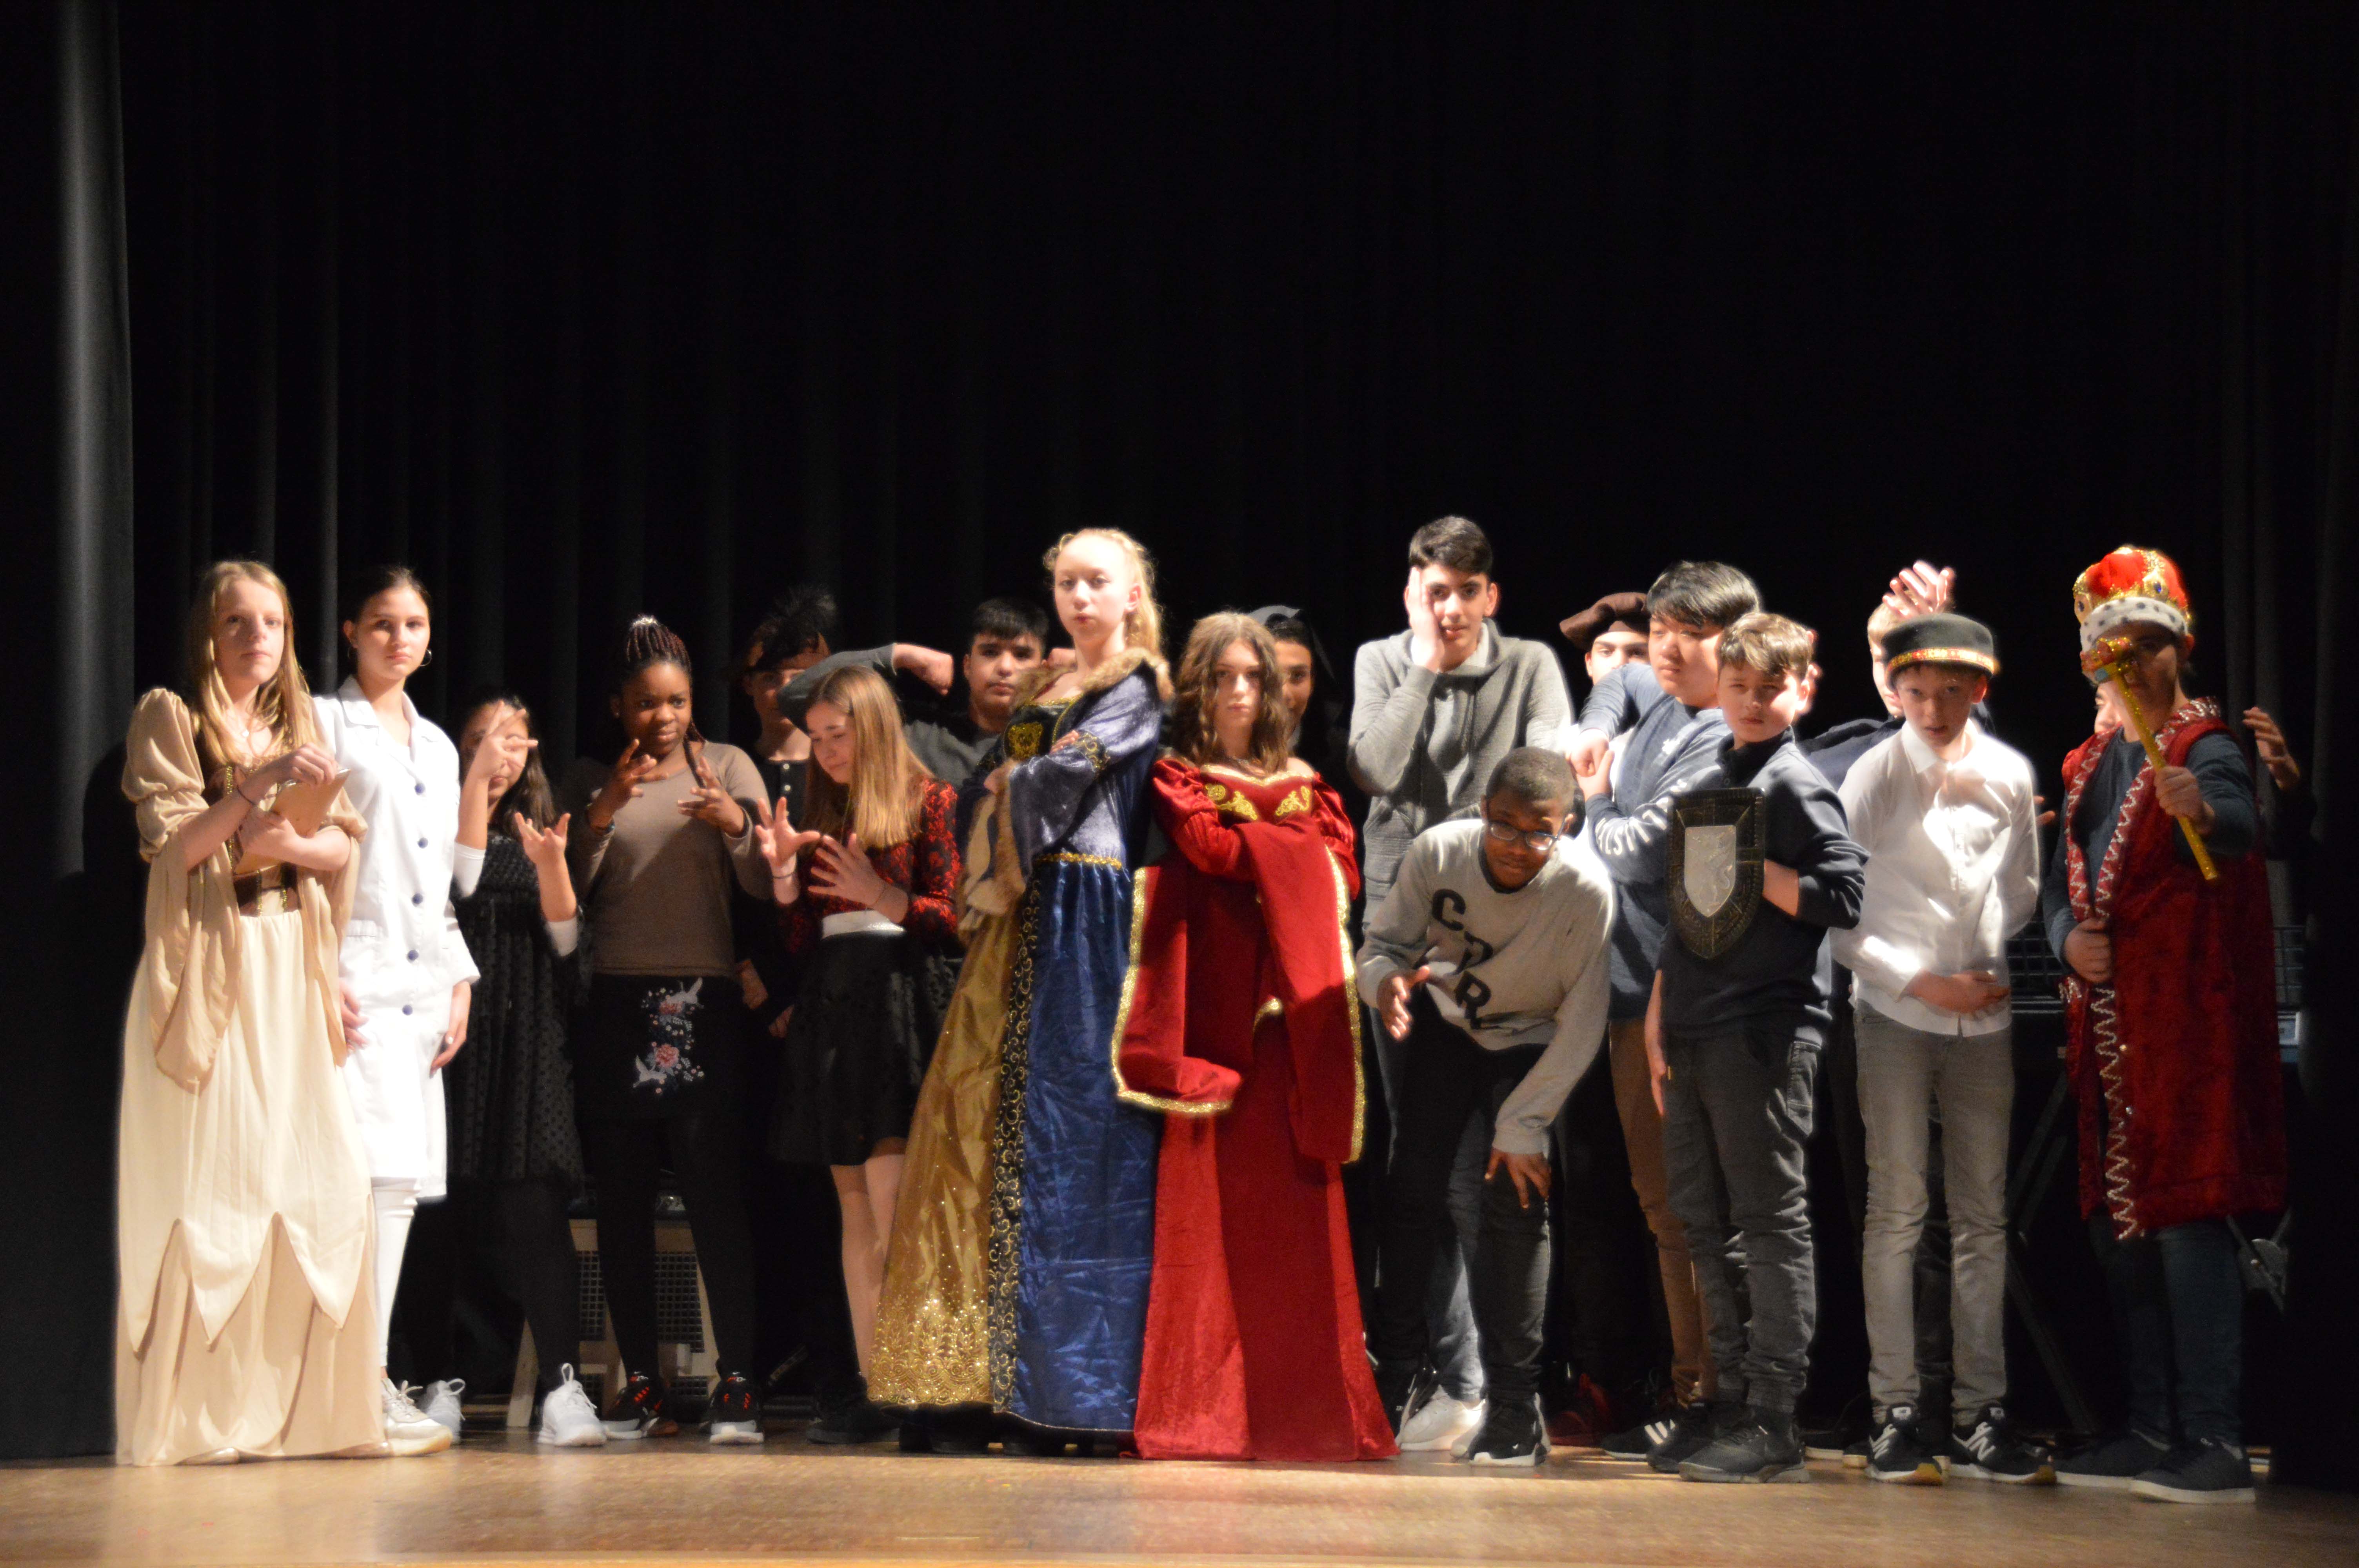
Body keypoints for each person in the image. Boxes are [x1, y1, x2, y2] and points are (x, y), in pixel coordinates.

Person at [870, 528, 1170, 1454]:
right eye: (1067, 583)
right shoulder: (1047, 686)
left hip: (1086, 919)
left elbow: (1061, 776)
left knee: (1075, 1145)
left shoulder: (1138, 684)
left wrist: (1009, 781)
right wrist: (995, 787)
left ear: (1131, 594)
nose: (1080, 597)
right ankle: (978, 1382)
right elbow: (982, 789)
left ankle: (1074, 1389)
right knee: (979, 1134)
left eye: (1097, 582)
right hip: (1020, 921)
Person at [116, 561, 385, 1465]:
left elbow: (342, 848)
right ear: (209, 630)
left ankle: (310, 1415)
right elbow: (176, 848)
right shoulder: (172, 716)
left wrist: (291, 842)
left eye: (271, 621)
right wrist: (252, 789)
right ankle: (202, 1419)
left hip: (289, 966)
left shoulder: (299, 724)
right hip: (213, 969)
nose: (257, 637)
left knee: (318, 1178)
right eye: (238, 621)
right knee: (218, 1186)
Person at [1120, 615, 1394, 1461]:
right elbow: (1207, 848)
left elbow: (1343, 871)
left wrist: (1264, 846)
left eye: (1253, 677)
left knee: (1298, 1209)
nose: (1239, 691)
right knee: (1215, 1209)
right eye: (1222, 676)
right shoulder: (1177, 775)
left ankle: (1309, 1411)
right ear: (1197, 687)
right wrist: (1287, 846)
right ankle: (1215, 1410)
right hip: (1220, 1023)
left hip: (1296, 1019)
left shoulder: (1311, 782)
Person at [2043, 546, 2283, 1504]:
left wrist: (2210, 813)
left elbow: (2235, 819)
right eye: (2115, 652)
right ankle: (2148, 1425)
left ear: (2178, 649)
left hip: (2184, 1028)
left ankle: (2212, 1436)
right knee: (2121, 1226)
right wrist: (2066, 943)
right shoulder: (2089, 764)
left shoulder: (2199, 744)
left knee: (2185, 1216)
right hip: (2112, 1033)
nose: (2133, 665)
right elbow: (2054, 891)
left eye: (2148, 646)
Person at [1347, 515, 1574, 1452]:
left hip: (1499, 948)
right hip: (1401, 945)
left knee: (1489, 1172)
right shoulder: (1380, 659)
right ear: (1411, 591)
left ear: (1490, 595)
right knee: (1417, 1170)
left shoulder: (1529, 666)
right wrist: (1424, 671)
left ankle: (1496, 1387)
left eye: (1464, 592)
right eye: (1432, 590)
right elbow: (1373, 767)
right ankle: (1430, 1373)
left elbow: (1546, 783)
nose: (1448, 608)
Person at [1831, 614, 2049, 1485]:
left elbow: (2022, 887)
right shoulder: (1874, 773)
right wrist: (1927, 981)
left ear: (1977, 690)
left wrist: (1979, 959)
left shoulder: (2007, 772)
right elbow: (1839, 915)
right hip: (1896, 1010)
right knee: (1897, 1210)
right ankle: (1894, 1410)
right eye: (1915, 692)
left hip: (1981, 1016)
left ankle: (1978, 1413)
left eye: (1948, 692)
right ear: (1894, 692)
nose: (1930, 708)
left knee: (1982, 1215)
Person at [1652, 612, 1866, 1483]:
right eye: (1736, 686)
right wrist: (1661, 1019)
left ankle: (1775, 1415)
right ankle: (1727, 1396)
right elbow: (1688, 912)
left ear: (1798, 690)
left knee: (1768, 1221)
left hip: (1763, 1029)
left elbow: (1844, 892)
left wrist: (1760, 871)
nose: (1749, 702)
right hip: (1696, 1023)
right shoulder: (1714, 777)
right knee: (1703, 1220)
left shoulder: (1795, 783)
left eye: (1767, 689)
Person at [1359, 748, 1616, 1466]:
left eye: (1538, 832)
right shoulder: (1438, 852)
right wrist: (1383, 983)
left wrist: (1523, 1123)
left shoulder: (1586, 891)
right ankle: (1397, 1373)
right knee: (1411, 1193)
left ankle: (1514, 1404)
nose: (1516, 845)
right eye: (1503, 826)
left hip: (1533, 1041)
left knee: (1515, 1205)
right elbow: (1382, 948)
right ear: (1481, 813)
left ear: (1566, 827)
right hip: (1449, 1029)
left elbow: (1584, 1020)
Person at [561, 615, 774, 1445]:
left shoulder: (729, 765)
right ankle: (643, 1385)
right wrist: (604, 811)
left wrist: (735, 824)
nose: (663, 716)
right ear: (620, 706)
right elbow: (569, 894)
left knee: (715, 1195)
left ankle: (739, 1382)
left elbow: (763, 884)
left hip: (701, 1000)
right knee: (623, 1203)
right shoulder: (591, 777)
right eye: (647, 703)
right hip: (615, 1003)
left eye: (677, 701)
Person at [1568, 561, 1758, 1459]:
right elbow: (1617, 688)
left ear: (1734, 642)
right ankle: (1697, 1390)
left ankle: (1715, 1395)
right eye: (1660, 631)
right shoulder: (1661, 693)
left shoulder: (1722, 733)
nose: (1666, 651)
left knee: (1693, 1206)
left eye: (1691, 634)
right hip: (1624, 992)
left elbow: (1640, 852)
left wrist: (1596, 795)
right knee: (1662, 1204)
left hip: (1678, 996)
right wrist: (1591, 734)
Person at [760, 664, 963, 1443]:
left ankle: (920, 1384)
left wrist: (881, 895)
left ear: (873, 727)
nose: (827, 751)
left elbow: (955, 918)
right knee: (853, 1209)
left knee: (894, 1205)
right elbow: (802, 939)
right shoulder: (828, 810)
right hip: (836, 1007)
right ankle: (880, 1384)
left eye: (837, 735)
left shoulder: (930, 800)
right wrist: (785, 876)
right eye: (817, 739)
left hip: (898, 1002)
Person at [397, 693, 604, 1447]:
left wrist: (552, 868)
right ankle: (437, 1382)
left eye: (514, 740)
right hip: (448, 1043)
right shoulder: (433, 826)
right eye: (484, 739)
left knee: (537, 1216)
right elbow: (457, 888)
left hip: (529, 1043)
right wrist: (472, 794)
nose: (500, 752)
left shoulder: (544, 830)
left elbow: (572, 951)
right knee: (438, 1221)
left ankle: (564, 1388)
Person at [312, 567, 478, 1454]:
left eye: (413, 624)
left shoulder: (440, 746)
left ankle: (369, 1377)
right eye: (382, 623)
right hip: (354, 978)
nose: (399, 639)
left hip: (421, 989)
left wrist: (459, 979)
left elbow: (438, 883)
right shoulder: (323, 721)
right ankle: (349, 1384)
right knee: (360, 1183)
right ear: (350, 631)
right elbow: (304, 858)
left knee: (403, 1185)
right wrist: (314, 967)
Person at [781, 597, 1052, 790]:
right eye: (990, 653)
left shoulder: (1059, 742)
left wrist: (1075, 668)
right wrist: (899, 655)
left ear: (1042, 670)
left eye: (1022, 655)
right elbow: (796, 696)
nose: (1005, 667)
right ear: (967, 666)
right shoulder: (918, 736)